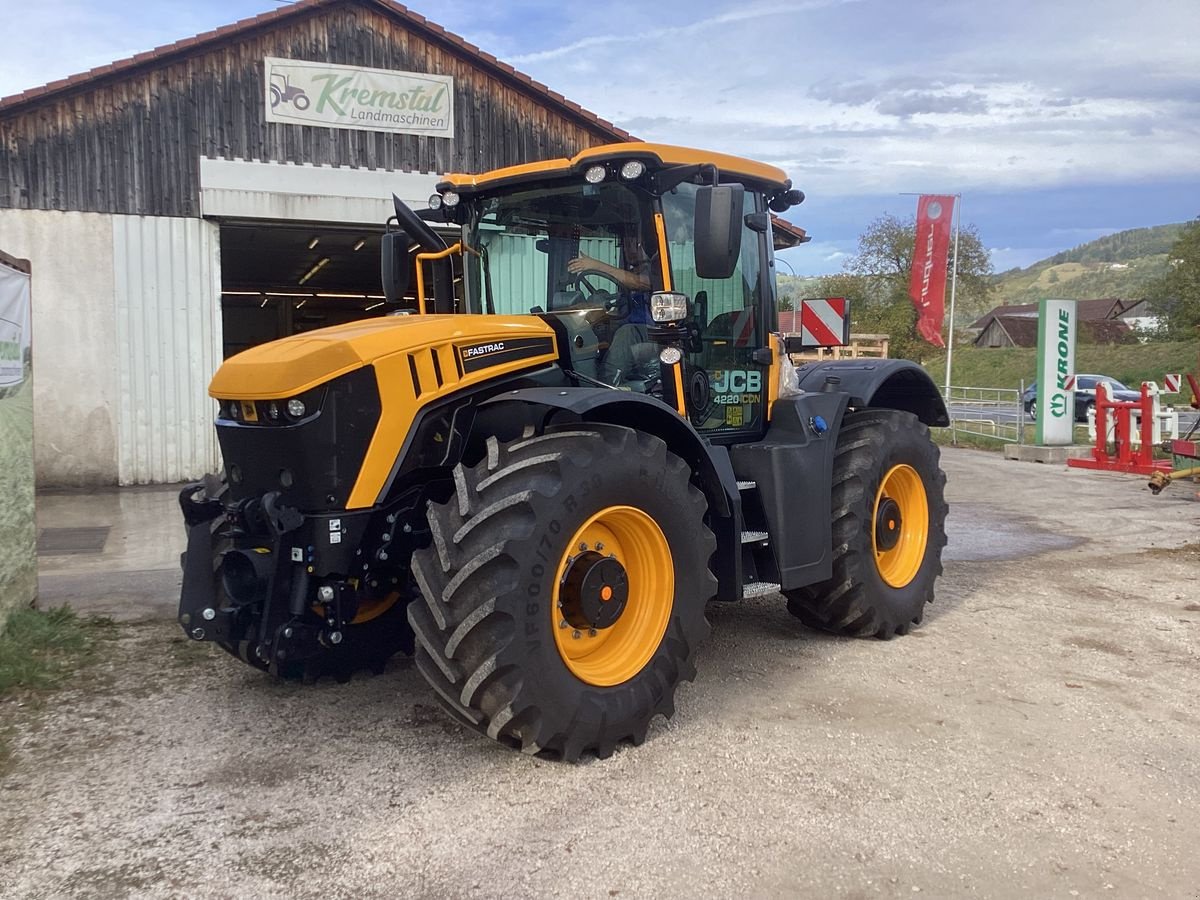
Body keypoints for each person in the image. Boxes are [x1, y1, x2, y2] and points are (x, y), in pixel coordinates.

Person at [568, 230, 656, 382]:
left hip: (654, 336)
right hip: (632, 331)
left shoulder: (654, 271)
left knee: (627, 332)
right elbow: (622, 311)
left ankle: (608, 386)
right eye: (626, 244)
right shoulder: (628, 273)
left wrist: (596, 265)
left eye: (635, 244)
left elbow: (640, 283)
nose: (630, 249)